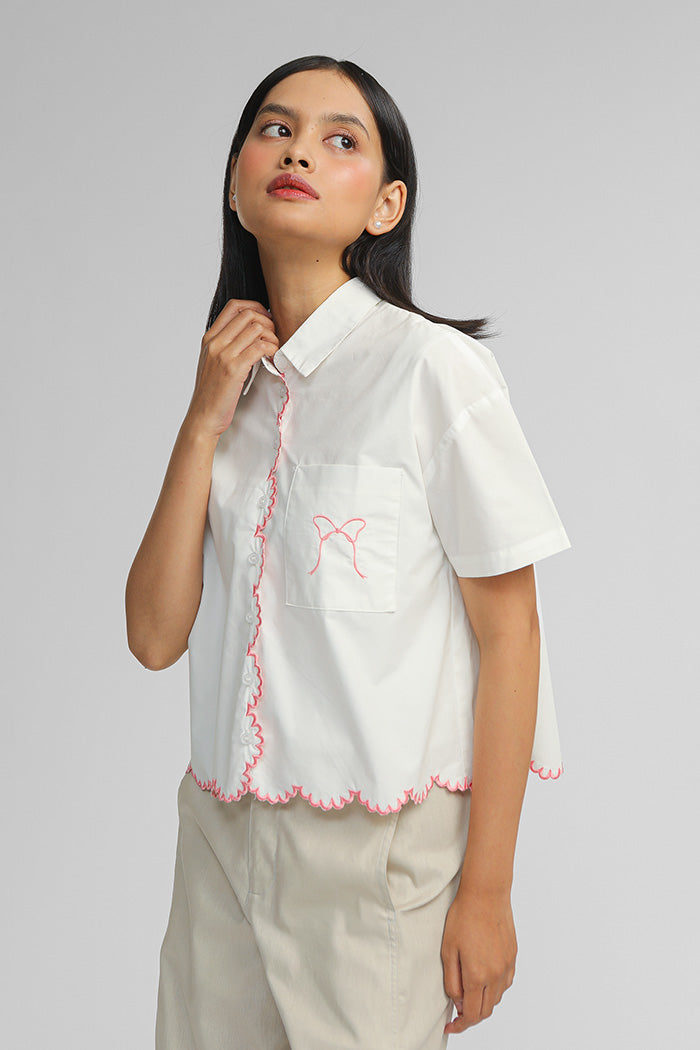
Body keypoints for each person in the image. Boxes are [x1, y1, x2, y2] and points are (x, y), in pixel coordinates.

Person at [125, 54, 572, 1050]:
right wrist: (201, 423)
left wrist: (487, 891)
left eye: (340, 140)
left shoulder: (433, 371)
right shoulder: (228, 392)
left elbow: (511, 637)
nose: (298, 153)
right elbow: (153, 637)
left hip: (376, 862)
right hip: (219, 847)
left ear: (386, 205)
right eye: (274, 130)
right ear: (235, 184)